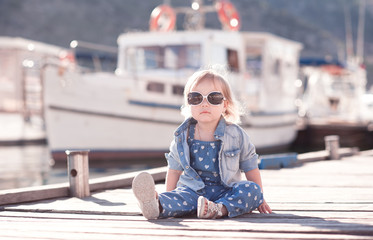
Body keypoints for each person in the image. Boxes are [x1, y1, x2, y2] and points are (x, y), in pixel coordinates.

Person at [132, 69, 272, 219]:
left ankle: (218, 209)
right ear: (188, 103)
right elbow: (174, 170)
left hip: (226, 192)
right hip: (193, 192)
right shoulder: (182, 136)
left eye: (214, 98)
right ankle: (156, 204)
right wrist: (170, 194)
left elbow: (250, 166)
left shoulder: (236, 135)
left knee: (252, 190)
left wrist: (260, 197)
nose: (204, 104)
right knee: (180, 196)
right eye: (196, 98)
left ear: (225, 105)